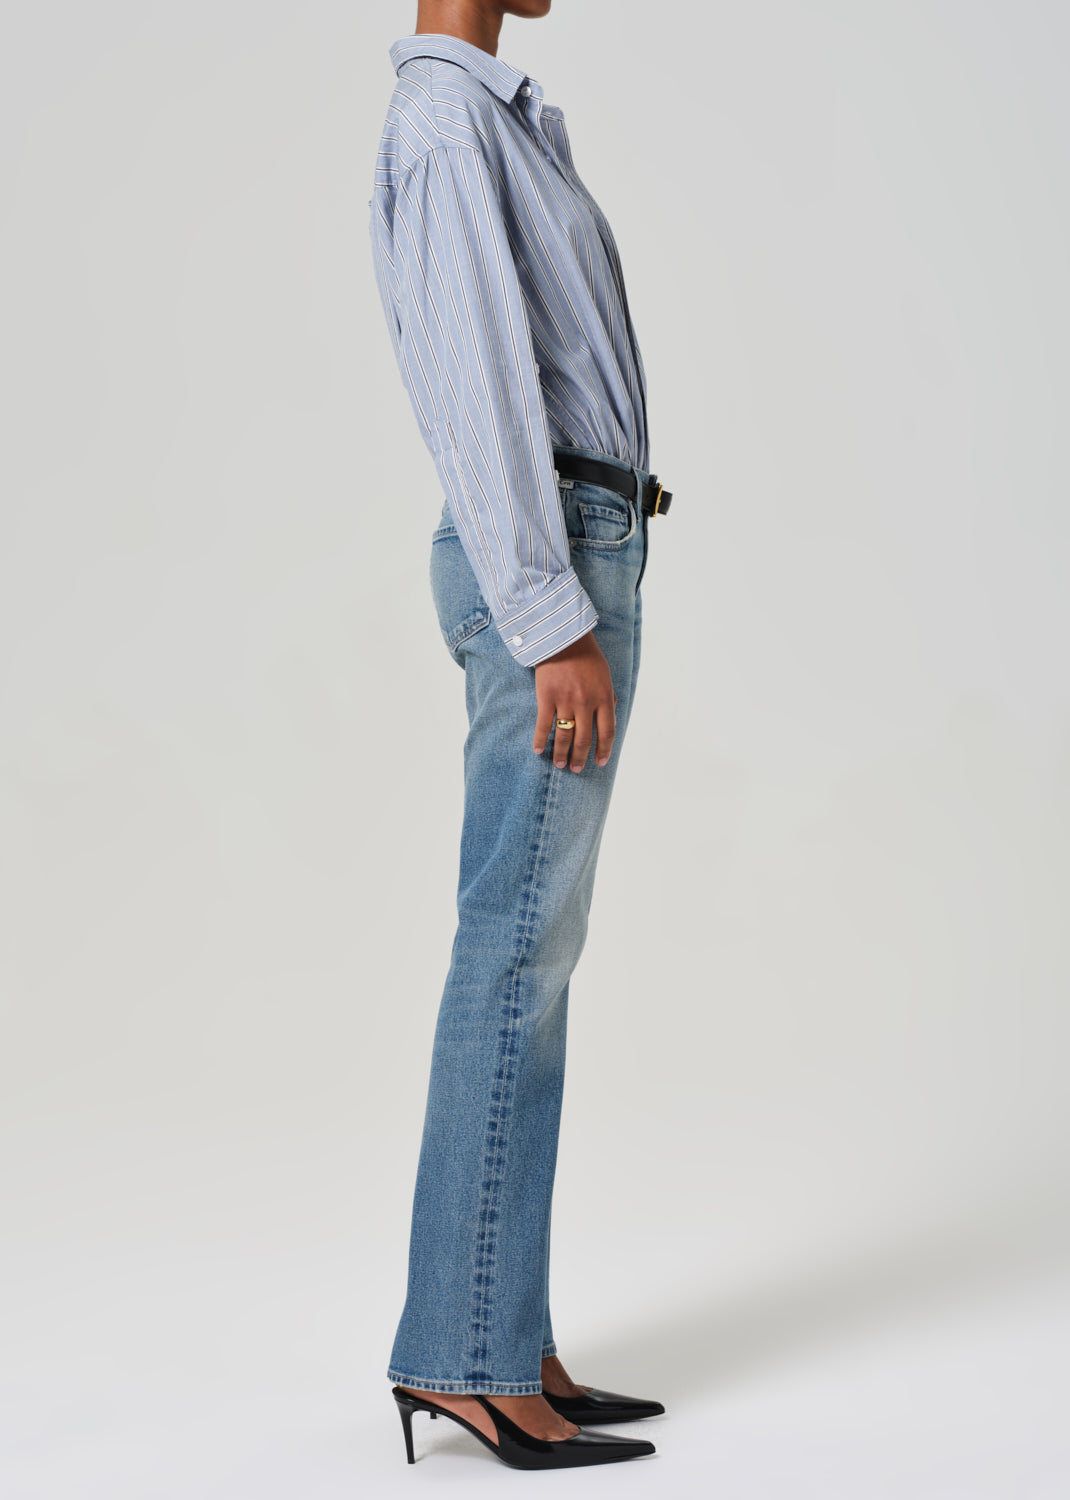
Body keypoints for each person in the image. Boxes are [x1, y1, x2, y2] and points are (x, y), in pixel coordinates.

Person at [368, 0, 675, 1471]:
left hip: (571, 542)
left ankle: (498, 1328)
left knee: (530, 960)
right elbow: (479, 389)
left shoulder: (487, 116)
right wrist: (551, 619)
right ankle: (464, 1358)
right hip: (544, 558)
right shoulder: (444, 123)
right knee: (509, 952)